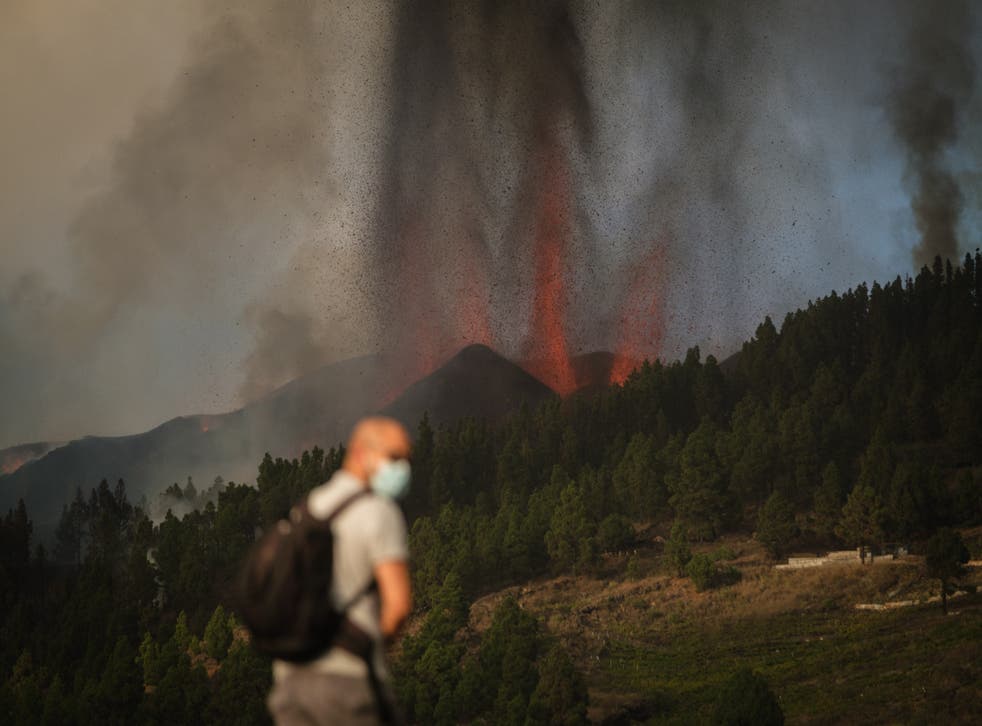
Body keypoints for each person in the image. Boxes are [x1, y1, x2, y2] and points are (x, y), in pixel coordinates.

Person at [267, 416, 413, 725]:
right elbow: (398, 605)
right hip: (345, 682)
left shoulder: (307, 508)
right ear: (361, 453)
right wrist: (369, 646)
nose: (403, 469)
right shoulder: (379, 511)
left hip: (291, 679)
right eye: (395, 458)